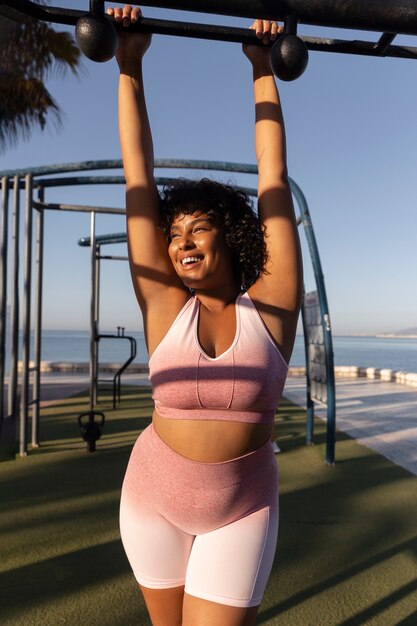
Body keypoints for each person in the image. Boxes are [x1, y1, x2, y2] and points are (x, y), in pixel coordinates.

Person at [108, 5, 302, 625]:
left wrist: (261, 69)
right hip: (152, 499)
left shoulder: (270, 310)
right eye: (175, 232)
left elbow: (273, 179)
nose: (183, 241)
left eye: (200, 228)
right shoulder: (165, 307)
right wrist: (130, 65)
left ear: (233, 237)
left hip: (242, 509)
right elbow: (138, 179)